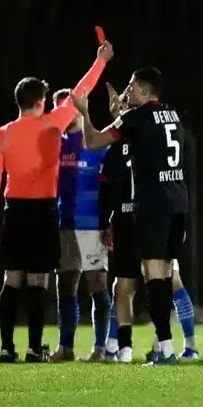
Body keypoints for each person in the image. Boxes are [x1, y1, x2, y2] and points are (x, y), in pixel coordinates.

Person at [0, 39, 113, 362]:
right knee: (38, 280)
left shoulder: (2, 133)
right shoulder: (52, 124)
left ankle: (6, 349)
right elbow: (81, 90)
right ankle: (33, 348)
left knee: (12, 278)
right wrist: (101, 60)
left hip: (14, 210)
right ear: (41, 101)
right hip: (42, 211)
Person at [81, 67, 189, 365]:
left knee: (154, 275)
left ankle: (166, 349)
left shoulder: (136, 118)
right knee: (165, 275)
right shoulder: (173, 115)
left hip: (153, 205)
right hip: (178, 203)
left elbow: (93, 142)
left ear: (143, 89)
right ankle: (167, 346)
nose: (127, 91)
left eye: (131, 86)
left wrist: (85, 113)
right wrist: (121, 113)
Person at [50, 88, 111, 362]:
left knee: (97, 284)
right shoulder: (55, 145)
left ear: (77, 109)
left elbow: (110, 186)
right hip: (65, 223)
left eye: (64, 108)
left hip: (92, 225)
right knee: (65, 285)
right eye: (56, 108)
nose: (60, 114)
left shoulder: (95, 143)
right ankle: (66, 347)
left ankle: (100, 348)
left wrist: (108, 221)